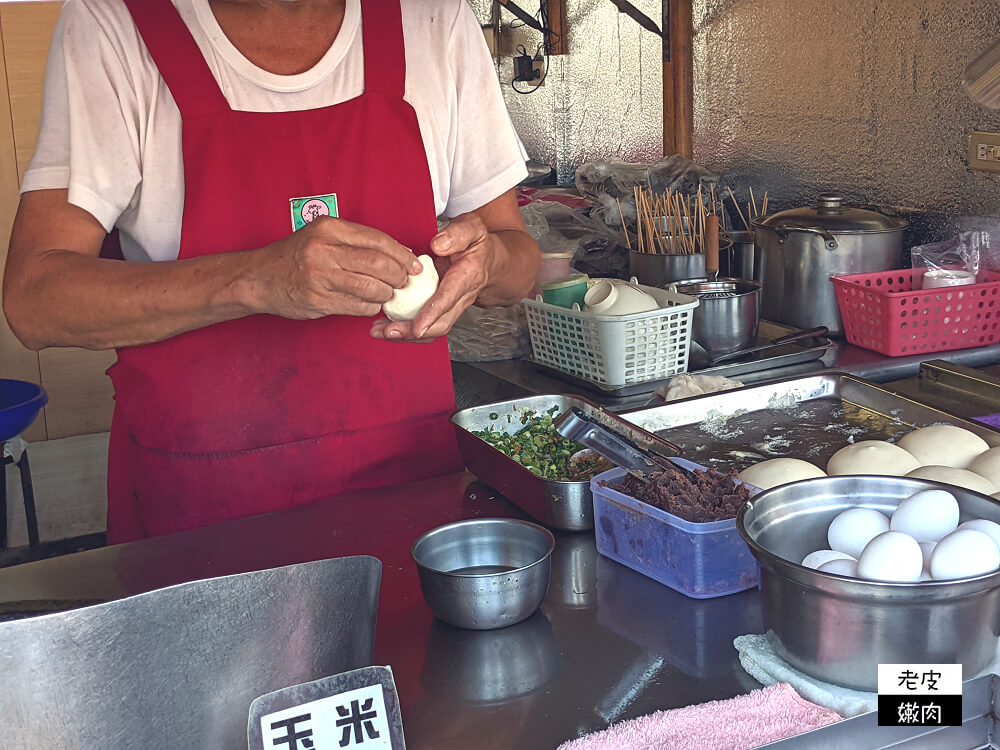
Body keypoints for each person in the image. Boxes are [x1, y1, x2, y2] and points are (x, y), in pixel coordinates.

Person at [2, 0, 540, 543]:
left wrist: (488, 262)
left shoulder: (433, 20)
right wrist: (256, 279)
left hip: (408, 498)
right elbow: (35, 299)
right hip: (202, 514)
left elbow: (517, 265)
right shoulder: (116, 26)